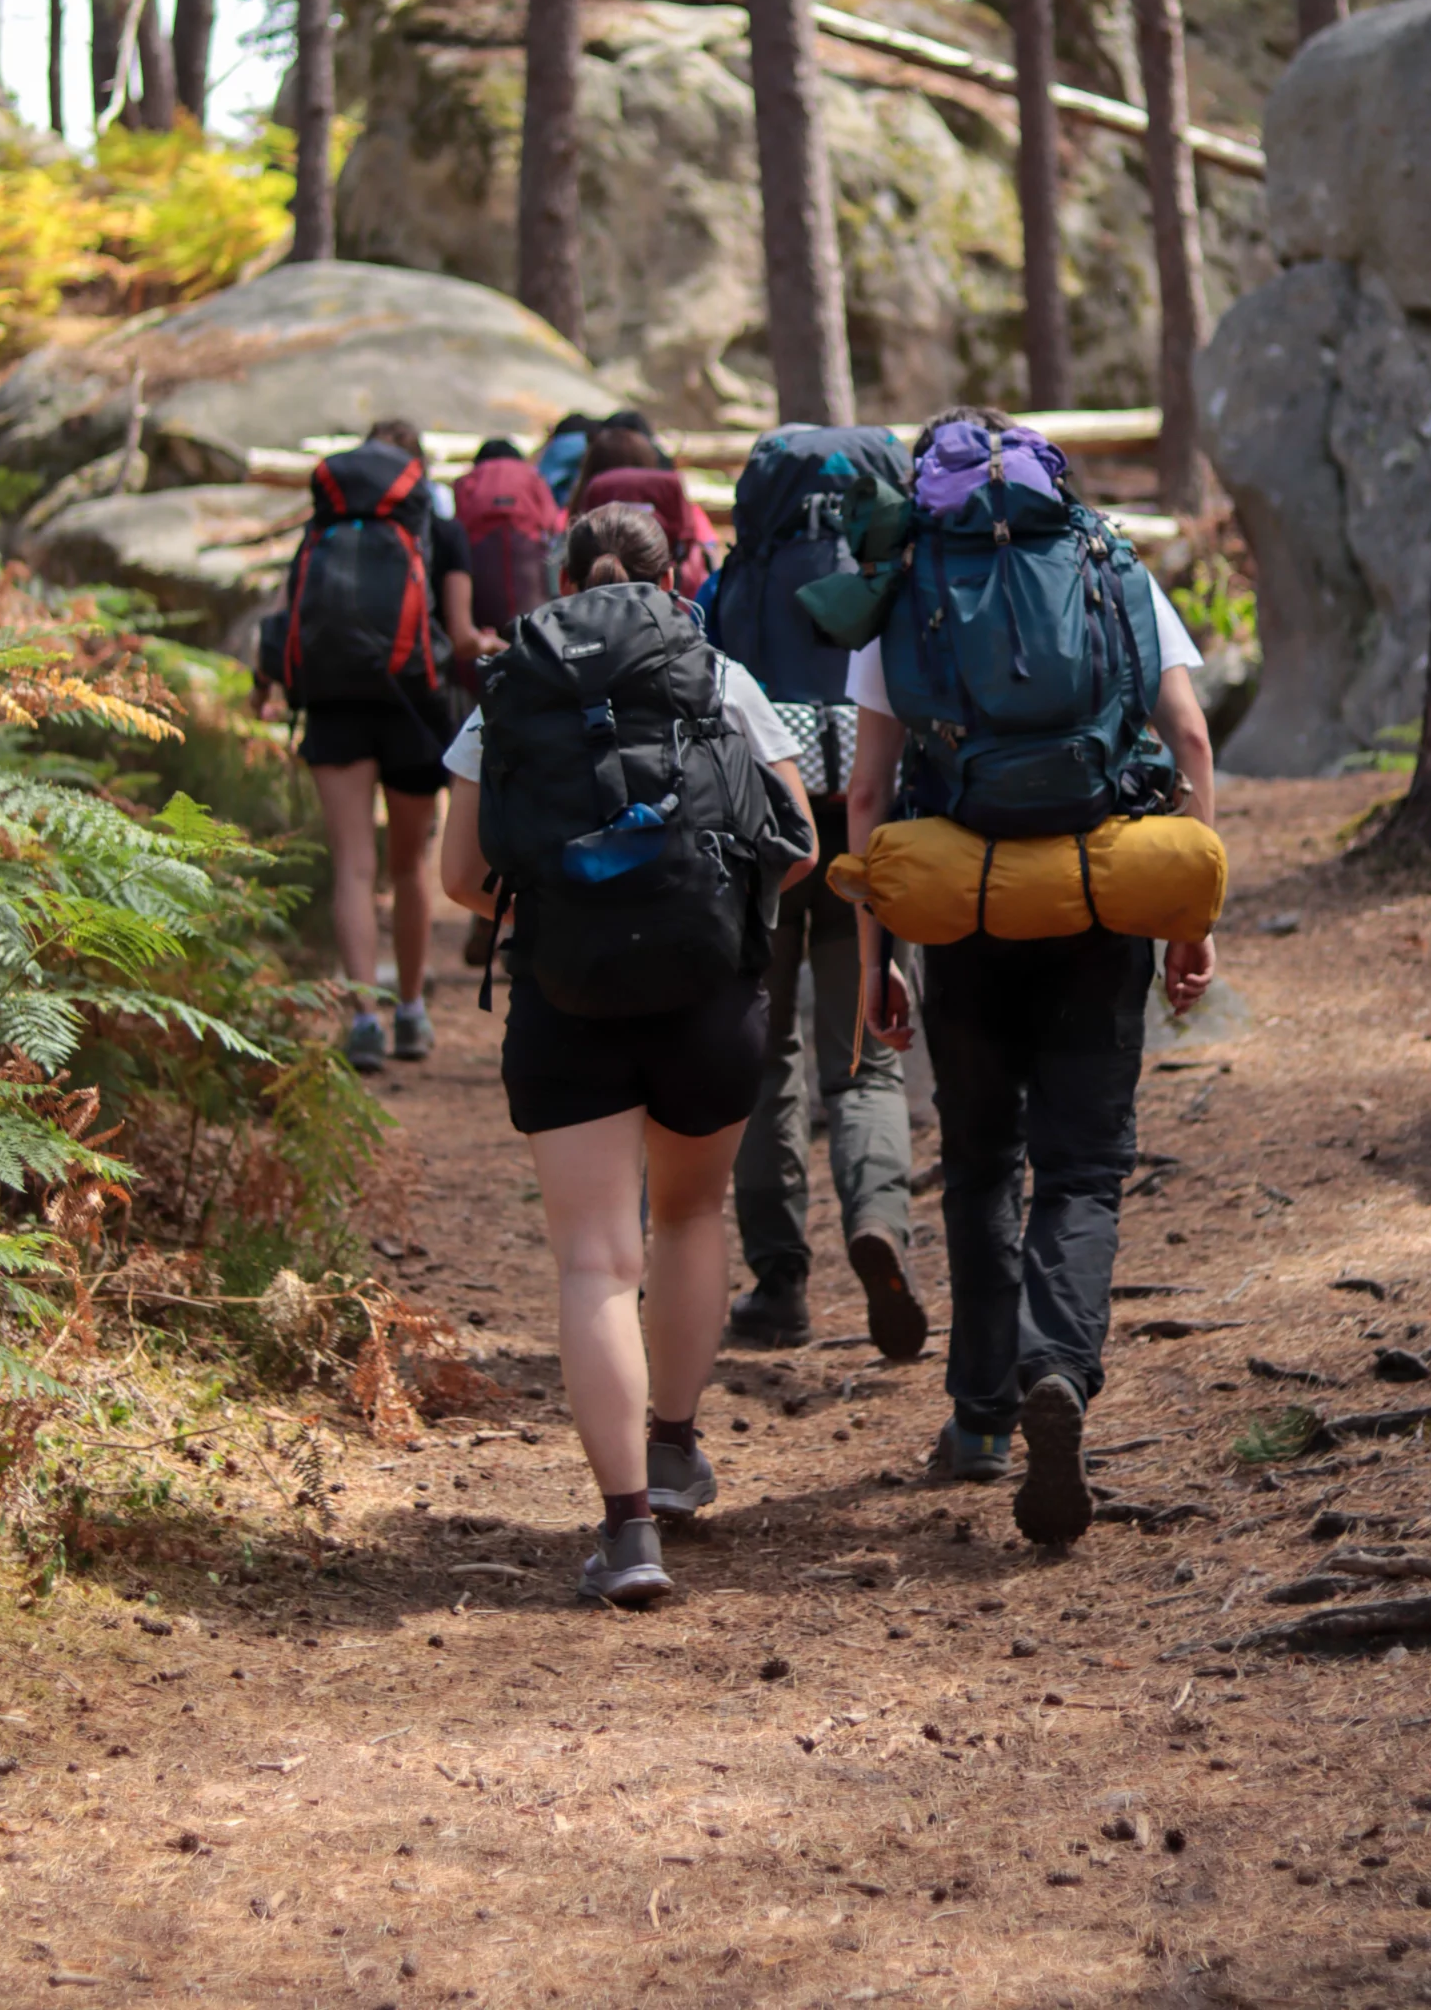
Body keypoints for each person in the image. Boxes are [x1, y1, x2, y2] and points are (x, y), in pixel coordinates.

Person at [845, 406, 1216, 1543]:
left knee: (978, 1163)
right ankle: (1059, 1368)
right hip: (1103, 896)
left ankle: (980, 1418)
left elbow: (864, 796)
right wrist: (1191, 923)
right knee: (1085, 1165)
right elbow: (1192, 746)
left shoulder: (904, 583)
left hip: (964, 909)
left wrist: (879, 960)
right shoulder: (1107, 562)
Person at [439, 503, 817, 1607]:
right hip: (708, 996)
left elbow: (462, 874)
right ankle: (676, 1444)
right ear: (678, 575)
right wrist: (717, 908)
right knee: (691, 1215)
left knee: (595, 1261)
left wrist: (557, 910)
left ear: (562, 579)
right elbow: (798, 840)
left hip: (568, 998)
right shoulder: (718, 675)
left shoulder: (512, 688)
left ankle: (628, 1532)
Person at [710, 423, 925, 1359]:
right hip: (866, 847)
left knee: (768, 1061)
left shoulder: (734, 588)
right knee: (867, 1056)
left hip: (764, 847)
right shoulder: (899, 588)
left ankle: (778, 1281)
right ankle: (879, 1223)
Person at [256, 418, 494, 1073]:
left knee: (354, 869)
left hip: (333, 707)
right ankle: (411, 1012)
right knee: (409, 866)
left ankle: (363, 1020)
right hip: (415, 707)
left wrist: (264, 682)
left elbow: (283, 617)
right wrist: (492, 643)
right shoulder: (440, 532)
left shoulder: (320, 530)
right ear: (416, 471)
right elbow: (461, 635)